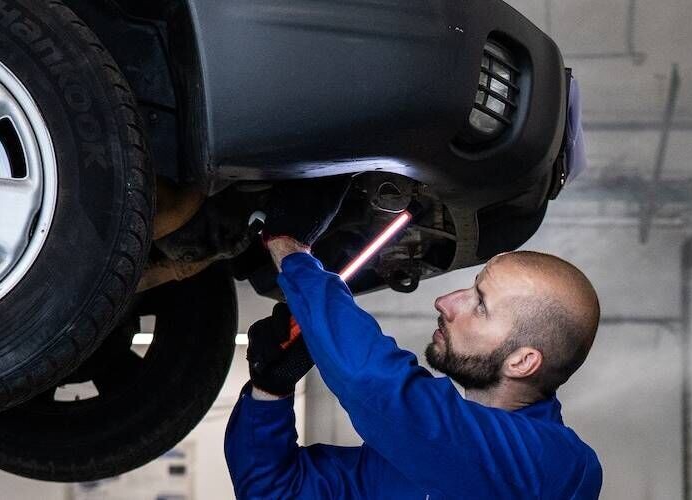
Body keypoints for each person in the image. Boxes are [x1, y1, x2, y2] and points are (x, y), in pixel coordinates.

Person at [224, 179, 604, 498]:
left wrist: (292, 254)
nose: (445, 302)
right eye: (471, 288)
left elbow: (378, 388)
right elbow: (276, 491)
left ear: (522, 361)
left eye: (480, 305)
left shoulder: (558, 471)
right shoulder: (408, 461)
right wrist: (270, 391)